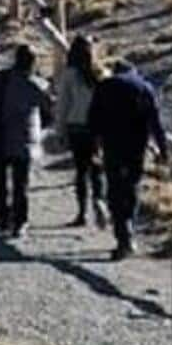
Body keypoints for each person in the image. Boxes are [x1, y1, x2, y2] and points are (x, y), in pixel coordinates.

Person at [88, 59, 171, 260]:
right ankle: (129, 226)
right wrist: (162, 150)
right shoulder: (144, 87)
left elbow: (93, 118)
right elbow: (155, 122)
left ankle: (122, 235)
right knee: (132, 186)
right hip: (136, 145)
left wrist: (94, 146)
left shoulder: (105, 86)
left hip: (112, 144)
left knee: (115, 188)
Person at [0, 44, 54, 238]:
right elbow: (50, 110)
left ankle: (1, 218)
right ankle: (20, 221)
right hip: (22, 140)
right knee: (20, 184)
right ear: (33, 63)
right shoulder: (35, 85)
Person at [53, 34, 107, 229]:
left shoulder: (70, 75)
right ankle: (99, 200)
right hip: (98, 127)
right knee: (97, 168)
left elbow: (62, 105)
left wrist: (59, 131)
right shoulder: (101, 73)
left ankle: (82, 212)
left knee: (81, 171)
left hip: (76, 125)